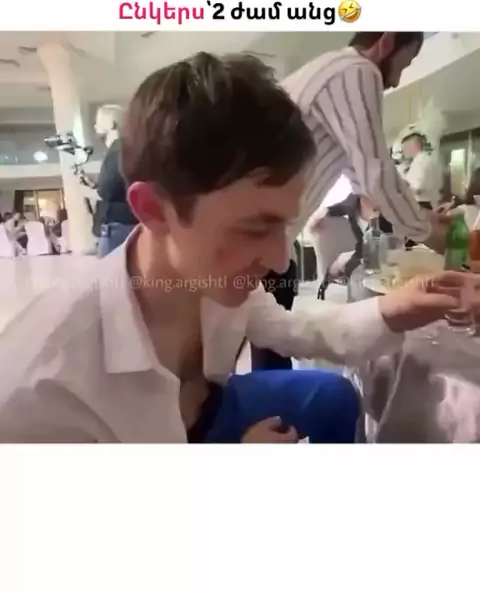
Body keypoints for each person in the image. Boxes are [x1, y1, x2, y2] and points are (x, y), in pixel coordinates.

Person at [0, 52, 474, 444]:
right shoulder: (44, 392)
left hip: (208, 408)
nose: (280, 259)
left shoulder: (209, 280)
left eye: (283, 225)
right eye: (253, 228)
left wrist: (399, 308)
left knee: (333, 396)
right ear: (155, 209)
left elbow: (298, 327)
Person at [251, 31, 448, 370]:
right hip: (256, 243)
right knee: (247, 352)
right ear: (386, 41)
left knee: (268, 348)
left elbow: (364, 179)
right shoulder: (357, 70)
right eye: (404, 64)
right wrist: (431, 234)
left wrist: (423, 219)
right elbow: (376, 173)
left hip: (266, 242)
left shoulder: (329, 72)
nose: (396, 80)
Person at [79, 104, 138, 257]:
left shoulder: (116, 149)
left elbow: (105, 193)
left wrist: (82, 190)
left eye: (98, 121)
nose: (95, 125)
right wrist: (94, 186)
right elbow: (118, 187)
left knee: (109, 271)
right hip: (128, 222)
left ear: (112, 124)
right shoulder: (127, 147)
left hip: (117, 227)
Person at [400, 132, 442, 210]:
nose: (403, 152)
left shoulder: (420, 162)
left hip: (422, 205)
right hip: (431, 203)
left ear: (412, 146)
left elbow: (417, 190)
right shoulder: (430, 159)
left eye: (404, 148)